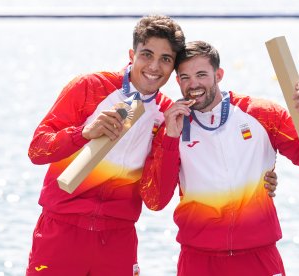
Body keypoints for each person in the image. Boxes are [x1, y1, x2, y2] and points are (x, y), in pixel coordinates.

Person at [26, 15, 278, 275]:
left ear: (173, 70)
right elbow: (37, 149)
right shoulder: (90, 87)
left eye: (166, 59)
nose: (155, 66)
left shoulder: (167, 114)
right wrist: (83, 133)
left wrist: (258, 177)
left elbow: (156, 200)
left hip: (117, 240)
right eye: (147, 55)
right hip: (60, 231)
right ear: (132, 53)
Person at [140, 40, 299, 276]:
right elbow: (155, 200)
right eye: (185, 78)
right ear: (177, 81)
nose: (194, 85)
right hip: (199, 260)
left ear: (219, 74)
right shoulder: (172, 125)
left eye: (202, 74)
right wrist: (171, 138)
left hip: (259, 257)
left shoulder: (262, 114)